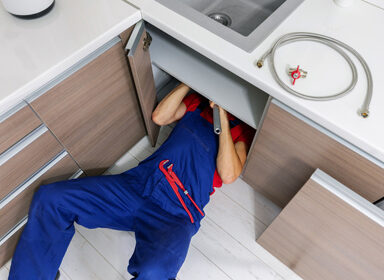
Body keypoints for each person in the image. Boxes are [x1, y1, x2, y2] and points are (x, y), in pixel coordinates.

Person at [9, 83, 254, 280]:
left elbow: (229, 174)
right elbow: (160, 116)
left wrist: (222, 116)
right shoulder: (195, 105)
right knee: (52, 199)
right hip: (138, 186)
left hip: (178, 211)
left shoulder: (241, 132)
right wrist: (191, 81)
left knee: (155, 271)